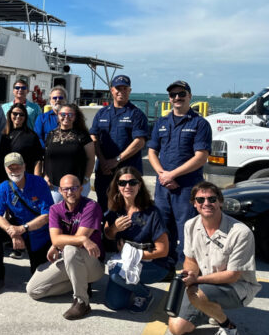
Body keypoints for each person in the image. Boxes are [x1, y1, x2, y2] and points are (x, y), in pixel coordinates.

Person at [168, 182, 261, 335]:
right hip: (203, 284)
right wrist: (189, 274)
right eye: (201, 200)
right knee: (177, 328)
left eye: (212, 199)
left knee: (196, 293)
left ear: (220, 202)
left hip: (236, 287)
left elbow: (232, 275)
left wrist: (196, 280)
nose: (207, 203)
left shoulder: (241, 232)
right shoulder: (190, 225)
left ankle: (228, 327)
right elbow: (190, 260)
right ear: (194, 204)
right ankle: (210, 309)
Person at [148, 80, 212, 265]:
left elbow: (201, 157)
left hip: (187, 187)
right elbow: (152, 151)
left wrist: (172, 175)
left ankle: (188, 270)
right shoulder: (161, 122)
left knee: (187, 230)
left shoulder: (200, 124)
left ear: (190, 96)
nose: (177, 98)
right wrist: (163, 175)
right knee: (162, 229)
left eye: (181, 94)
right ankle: (163, 268)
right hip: (163, 186)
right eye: (173, 95)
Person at [26, 175, 105, 320]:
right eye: (65, 189)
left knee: (70, 249)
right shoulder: (55, 209)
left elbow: (73, 243)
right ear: (60, 191)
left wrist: (61, 244)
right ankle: (79, 283)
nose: (70, 192)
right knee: (34, 290)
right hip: (70, 260)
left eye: (74, 188)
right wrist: (75, 240)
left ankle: (82, 302)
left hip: (93, 264)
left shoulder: (91, 206)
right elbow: (57, 239)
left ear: (81, 189)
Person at [103, 167, 171, 313]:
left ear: (139, 185)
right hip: (126, 262)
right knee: (114, 303)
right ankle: (130, 284)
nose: (127, 186)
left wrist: (132, 253)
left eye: (132, 182)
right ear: (117, 186)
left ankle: (144, 294)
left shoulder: (152, 212)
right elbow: (108, 234)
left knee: (116, 273)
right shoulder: (115, 209)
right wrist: (114, 229)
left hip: (153, 264)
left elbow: (163, 250)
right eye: (122, 183)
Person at [0, 153, 53, 295]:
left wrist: (22, 229)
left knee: (39, 283)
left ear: (24, 166)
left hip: (38, 232)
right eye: (11, 167)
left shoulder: (39, 183)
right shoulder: (5, 187)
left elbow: (47, 215)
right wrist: (11, 230)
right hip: (18, 227)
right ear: (5, 169)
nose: (14, 170)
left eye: (18, 166)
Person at [90, 75, 148, 211]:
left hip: (128, 172)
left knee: (129, 208)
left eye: (124, 88)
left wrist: (117, 160)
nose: (121, 91)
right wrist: (103, 161)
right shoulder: (102, 113)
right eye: (118, 88)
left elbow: (140, 142)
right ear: (111, 90)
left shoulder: (137, 114)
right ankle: (106, 232)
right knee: (103, 206)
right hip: (104, 171)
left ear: (129, 90)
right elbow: (94, 137)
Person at [43, 104, 95, 203]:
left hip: (76, 186)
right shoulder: (51, 135)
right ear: (58, 116)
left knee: (76, 216)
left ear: (75, 117)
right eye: (63, 114)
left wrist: (86, 178)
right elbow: (46, 158)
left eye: (70, 114)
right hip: (54, 186)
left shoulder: (82, 136)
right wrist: (45, 176)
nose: (66, 117)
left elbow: (91, 159)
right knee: (55, 215)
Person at [0, 102, 44, 186]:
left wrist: (37, 181)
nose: (18, 116)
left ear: (25, 117)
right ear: (10, 115)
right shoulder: (4, 135)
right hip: (5, 179)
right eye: (15, 113)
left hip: (25, 179)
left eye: (21, 114)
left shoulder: (31, 136)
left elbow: (38, 160)